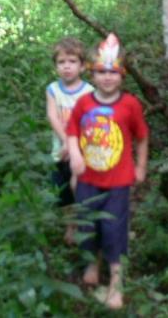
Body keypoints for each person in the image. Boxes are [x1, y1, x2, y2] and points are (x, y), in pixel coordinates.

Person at [67, 33, 149, 310]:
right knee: (87, 224)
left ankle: (116, 284)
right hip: (88, 179)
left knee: (114, 230)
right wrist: (76, 155)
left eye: (113, 72)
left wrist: (140, 166)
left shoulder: (130, 105)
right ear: (92, 73)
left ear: (122, 75)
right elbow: (71, 133)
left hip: (117, 182)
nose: (107, 77)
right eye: (101, 72)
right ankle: (92, 264)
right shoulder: (84, 104)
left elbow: (141, 137)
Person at [46, 36, 94, 242]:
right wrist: (66, 141)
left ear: (82, 66)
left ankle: (83, 223)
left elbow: (91, 123)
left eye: (72, 62)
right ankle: (70, 225)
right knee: (63, 192)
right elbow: (52, 116)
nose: (67, 67)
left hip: (82, 151)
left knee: (78, 185)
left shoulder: (89, 92)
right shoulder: (53, 90)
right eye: (61, 62)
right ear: (56, 66)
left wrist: (74, 145)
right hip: (60, 151)